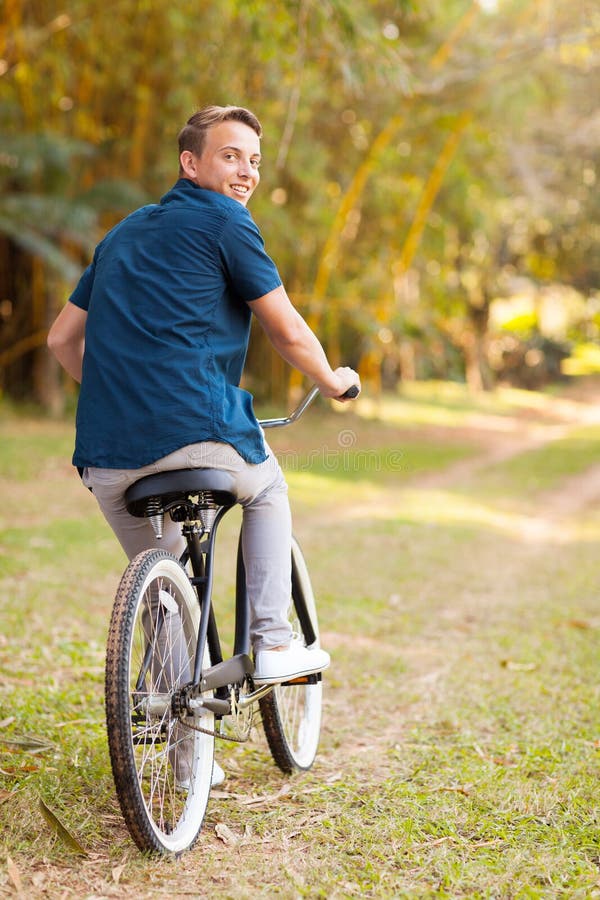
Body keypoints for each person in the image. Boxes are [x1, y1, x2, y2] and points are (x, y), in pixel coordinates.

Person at [47, 105, 360, 783]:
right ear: (190, 163)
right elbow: (287, 331)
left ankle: (188, 754)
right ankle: (274, 639)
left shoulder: (122, 234)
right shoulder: (226, 222)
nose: (245, 170)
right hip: (200, 434)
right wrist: (333, 382)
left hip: (107, 455)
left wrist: (116, 394)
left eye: (253, 159)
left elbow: (60, 341)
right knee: (269, 486)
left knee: (164, 587)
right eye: (229, 156)